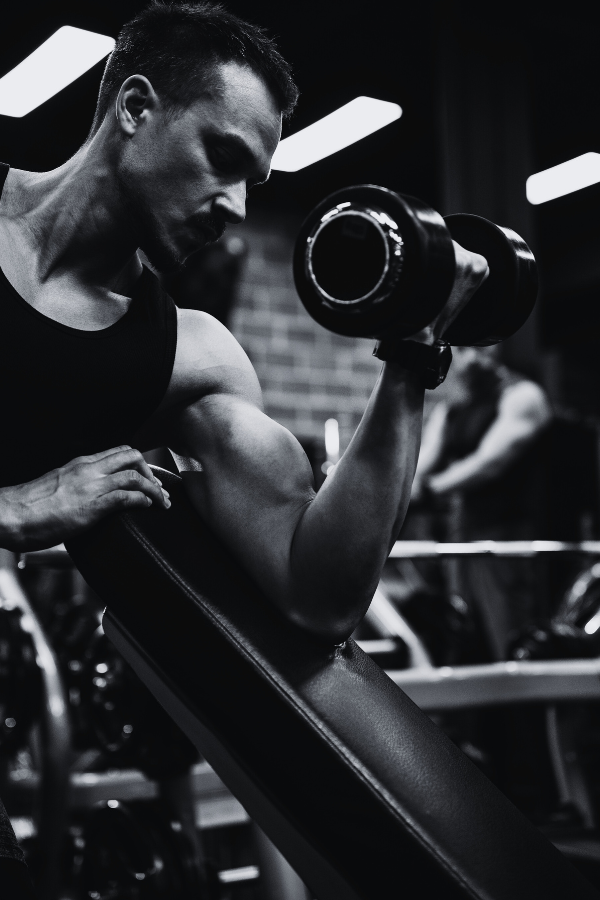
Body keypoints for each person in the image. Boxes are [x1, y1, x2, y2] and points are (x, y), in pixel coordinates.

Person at [0, 2, 488, 891]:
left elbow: (318, 593)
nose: (235, 205)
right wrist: (12, 507)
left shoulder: (189, 356)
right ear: (136, 109)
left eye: (256, 178)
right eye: (223, 158)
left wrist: (412, 357)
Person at [411, 346, 552, 659]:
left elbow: (489, 463)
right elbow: (423, 463)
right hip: (461, 539)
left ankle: (522, 706)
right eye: (462, 348)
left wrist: (430, 490)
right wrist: (403, 492)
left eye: (479, 345)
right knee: (461, 638)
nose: (473, 356)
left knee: (510, 645)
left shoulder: (523, 396)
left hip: (506, 539)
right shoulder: (452, 410)